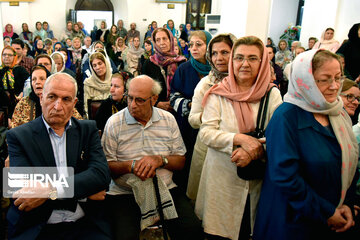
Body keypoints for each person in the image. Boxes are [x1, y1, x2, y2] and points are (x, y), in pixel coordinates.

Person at [253, 49, 358, 239]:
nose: (334, 86)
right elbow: (285, 176)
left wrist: (347, 205)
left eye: (338, 77)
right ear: (306, 80)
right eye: (325, 79)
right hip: (292, 222)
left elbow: (349, 162)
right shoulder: (287, 117)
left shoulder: (338, 113)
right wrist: (326, 212)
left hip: (333, 219)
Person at [195, 36, 282, 239]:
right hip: (222, 177)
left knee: (249, 230)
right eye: (239, 57)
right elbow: (206, 133)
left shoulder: (271, 95)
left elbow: (278, 135)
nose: (244, 64)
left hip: (257, 178)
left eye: (253, 58)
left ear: (263, 63)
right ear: (232, 61)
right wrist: (239, 139)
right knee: (220, 231)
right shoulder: (217, 93)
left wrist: (253, 151)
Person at [6, 72, 111, 240]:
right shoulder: (18, 136)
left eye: (66, 99)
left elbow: (100, 175)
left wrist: (49, 190)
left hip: (86, 225)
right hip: (37, 227)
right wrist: (83, 191)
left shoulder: (88, 130)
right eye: (52, 97)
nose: (57, 106)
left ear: (74, 103)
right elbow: (23, 191)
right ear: (41, 98)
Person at [101, 75, 203, 240]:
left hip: (165, 187)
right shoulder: (114, 123)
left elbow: (180, 161)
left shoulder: (168, 120)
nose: (132, 105)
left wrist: (160, 160)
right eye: (129, 98)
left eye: (140, 100)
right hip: (125, 192)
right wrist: (131, 166)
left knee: (192, 229)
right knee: (124, 236)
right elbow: (106, 165)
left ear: (154, 99)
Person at [187, 33, 236, 201]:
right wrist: (210, 117)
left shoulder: (245, 83)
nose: (219, 58)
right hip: (208, 148)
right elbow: (193, 119)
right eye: (214, 53)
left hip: (233, 148)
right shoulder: (206, 84)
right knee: (207, 199)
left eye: (225, 52)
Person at [170, 30, 212, 191]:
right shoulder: (184, 69)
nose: (194, 48)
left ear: (208, 46)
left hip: (211, 123)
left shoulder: (216, 69)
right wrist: (190, 106)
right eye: (191, 44)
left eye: (199, 44)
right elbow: (174, 96)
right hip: (188, 124)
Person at [11, 65, 81, 128]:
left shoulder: (61, 101)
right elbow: (14, 128)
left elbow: (79, 124)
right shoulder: (23, 103)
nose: (37, 82)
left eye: (42, 79)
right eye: (33, 79)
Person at [142, 28, 186, 112]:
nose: (162, 43)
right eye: (158, 40)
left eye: (165, 38)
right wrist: (157, 104)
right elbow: (144, 89)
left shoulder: (182, 63)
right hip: (156, 110)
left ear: (171, 40)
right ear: (154, 43)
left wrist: (176, 103)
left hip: (179, 110)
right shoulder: (149, 63)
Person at [0, 46, 29, 118]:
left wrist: (22, 94)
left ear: (14, 56)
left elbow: (28, 84)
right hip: (3, 104)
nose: (6, 57)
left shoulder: (20, 70)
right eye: (4, 54)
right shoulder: (0, 70)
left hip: (19, 102)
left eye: (9, 55)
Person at [84, 52, 112, 117]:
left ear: (106, 64)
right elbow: (86, 108)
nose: (98, 67)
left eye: (100, 63)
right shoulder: (88, 83)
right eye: (94, 65)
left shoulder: (114, 80)